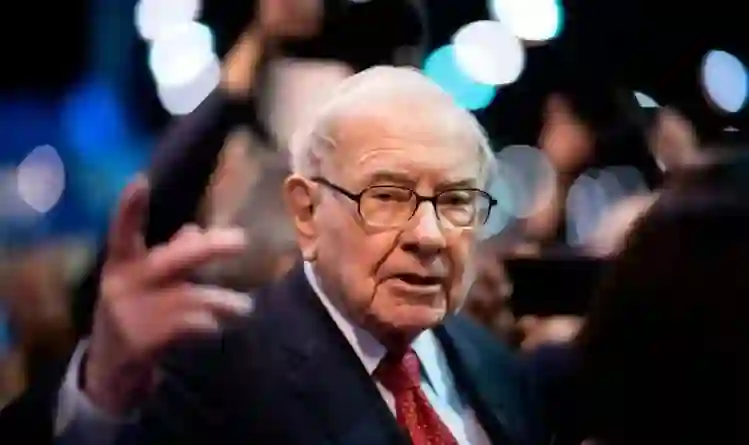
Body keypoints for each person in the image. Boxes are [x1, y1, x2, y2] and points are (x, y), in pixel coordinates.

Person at [59, 67, 544, 445]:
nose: (429, 235)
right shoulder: (216, 371)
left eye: (456, 201)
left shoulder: (497, 365)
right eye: (387, 197)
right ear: (307, 212)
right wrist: (104, 388)